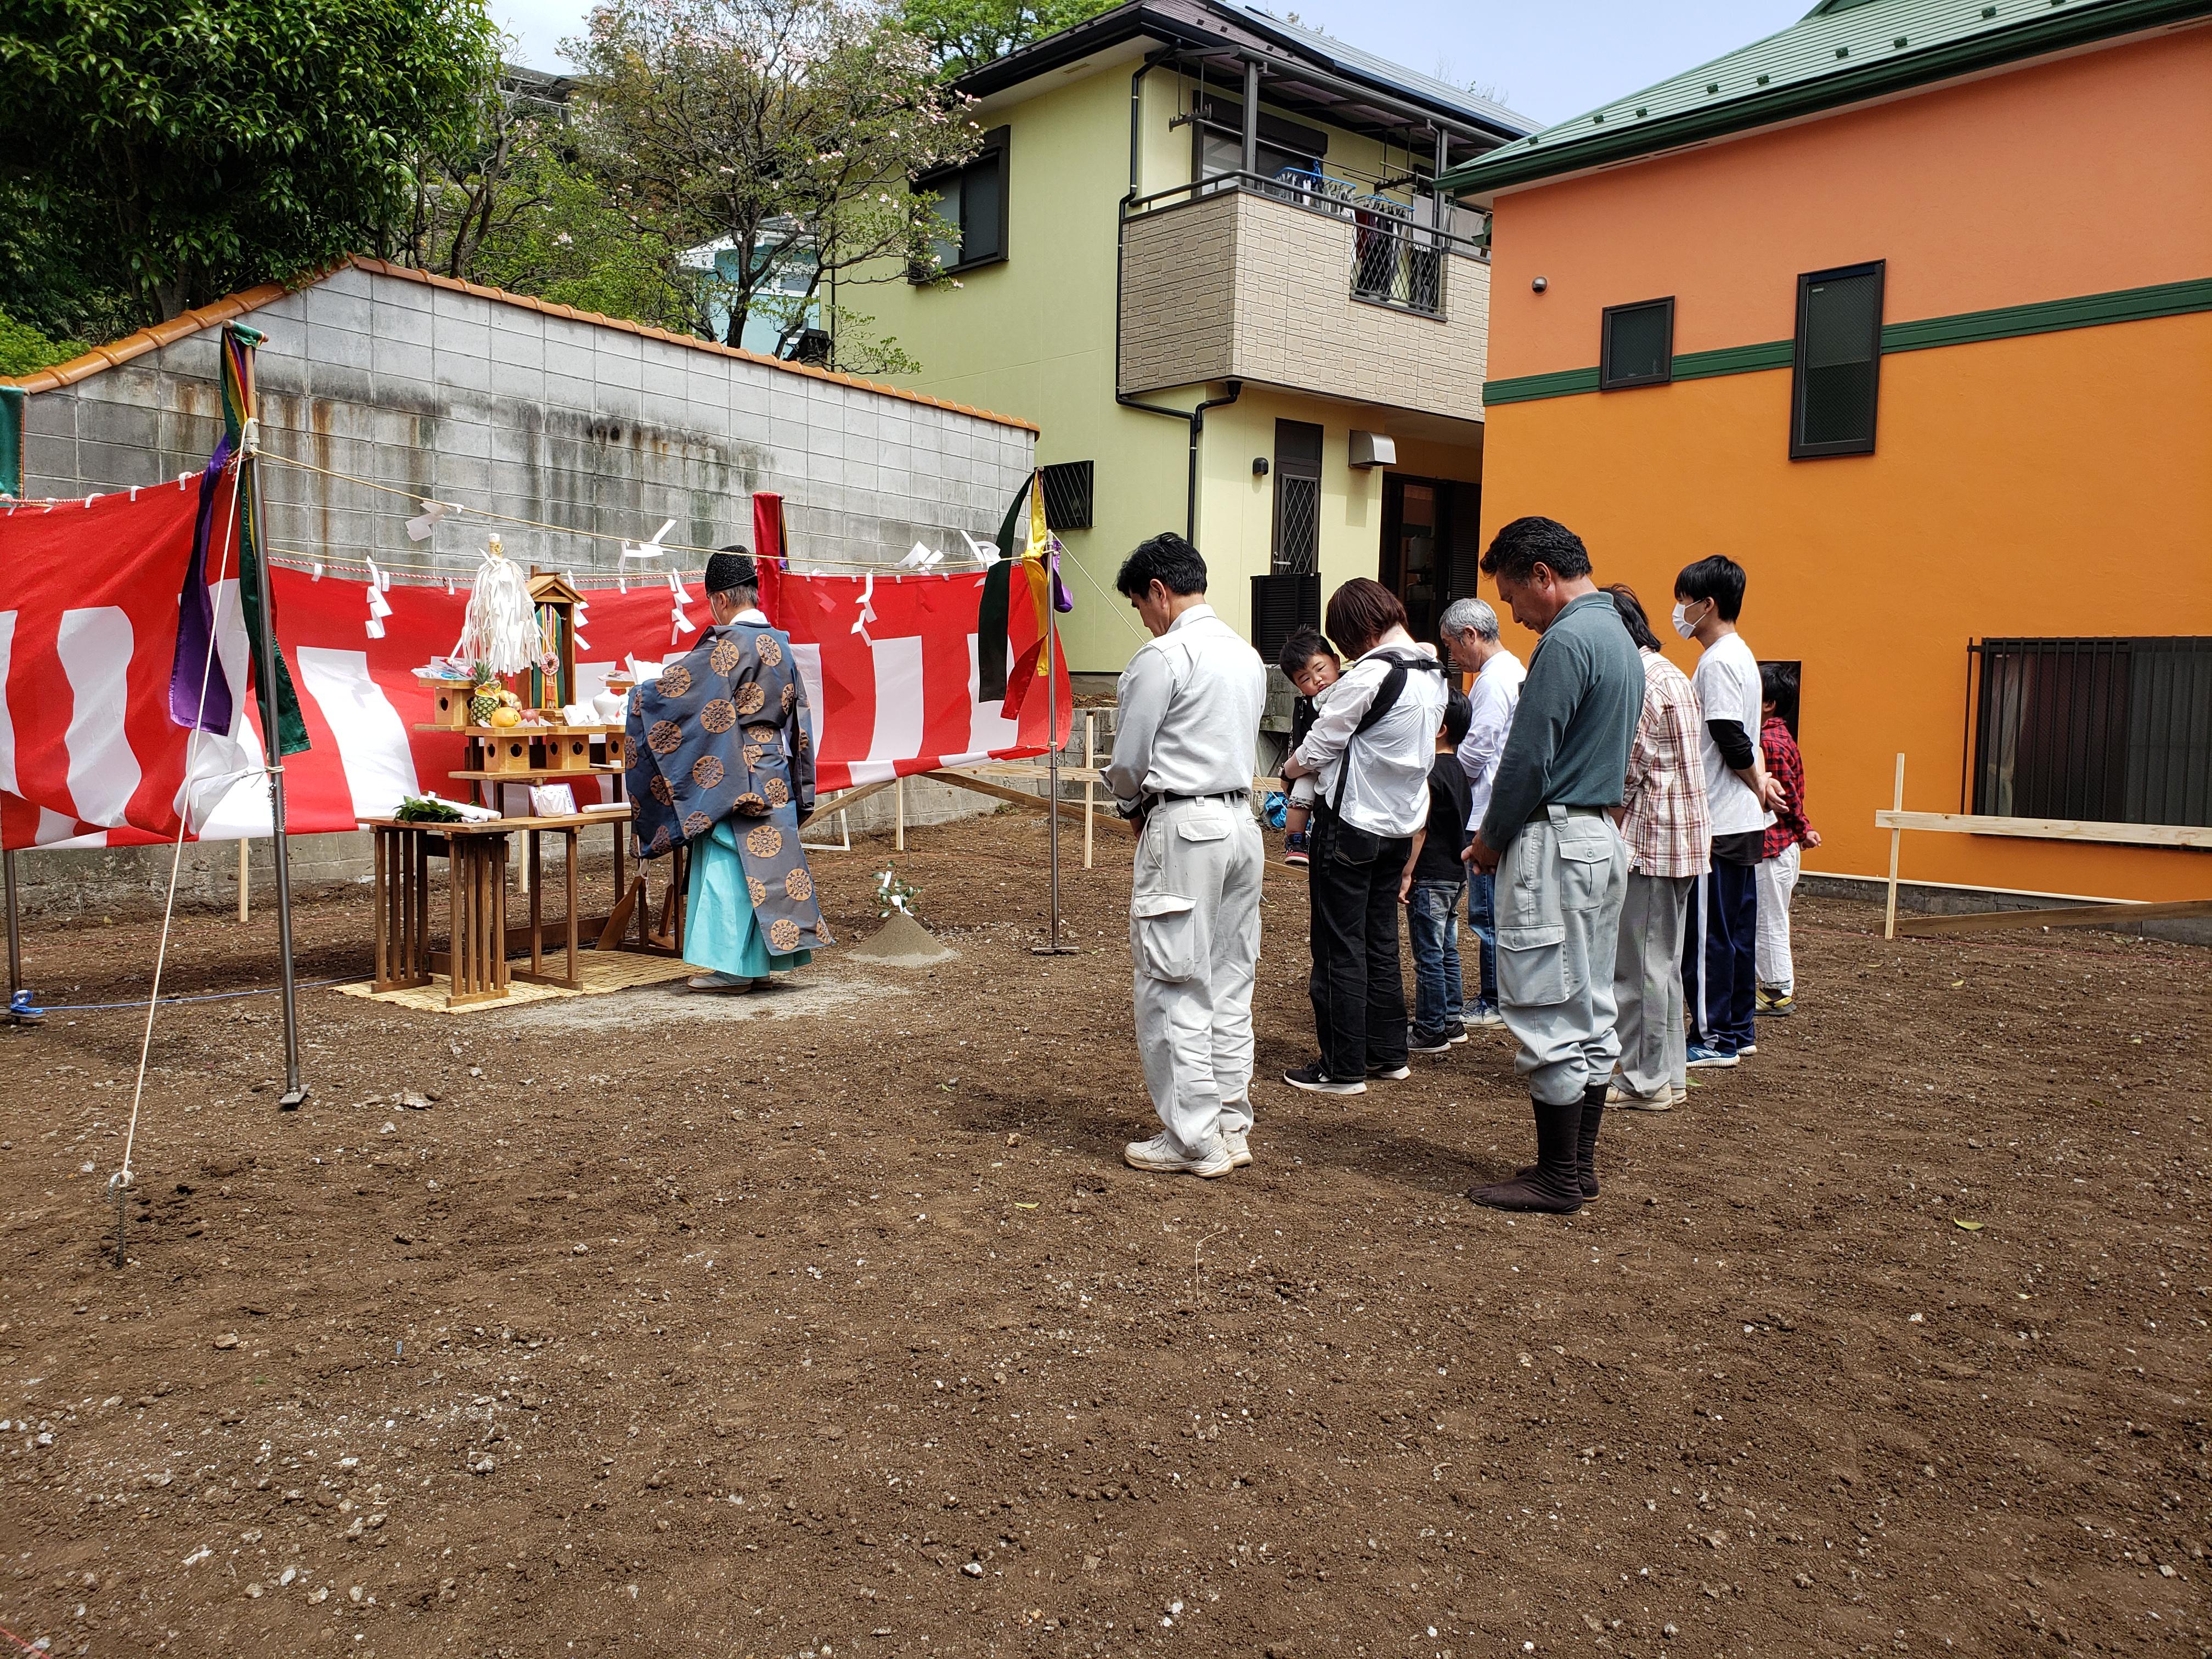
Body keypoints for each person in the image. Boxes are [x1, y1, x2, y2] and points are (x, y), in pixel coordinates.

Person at [1461, 517, 1642, 1214]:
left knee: (1545, 1004)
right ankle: (1578, 1164)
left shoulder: (1565, 641)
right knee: (1592, 1004)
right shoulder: (1620, 636)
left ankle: (1557, 1175)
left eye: (1513, 596)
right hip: (1598, 836)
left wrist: (1491, 840)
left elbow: (1528, 758)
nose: (1513, 613)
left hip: (1553, 840)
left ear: (1542, 575)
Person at [1101, 533, 1268, 1178]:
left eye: (1142, 605)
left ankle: (1193, 1138)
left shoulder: (1164, 656)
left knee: (1172, 983)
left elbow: (1128, 761)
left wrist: (1130, 805)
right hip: (1241, 823)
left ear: (1159, 593)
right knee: (1229, 980)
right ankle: (1229, 1123)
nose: (1143, 617)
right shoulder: (1246, 655)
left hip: (1182, 820)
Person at [627, 547, 831, 993]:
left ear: (720, 600)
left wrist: (636, 694)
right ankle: (759, 964)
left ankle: (731, 969)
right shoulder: (780, 642)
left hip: (734, 768)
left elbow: (673, 694)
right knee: (771, 867)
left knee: (727, 865)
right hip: (774, 765)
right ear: (753, 594)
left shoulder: (727, 647)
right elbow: (801, 715)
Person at [1280, 579, 1449, 1096]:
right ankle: (1388, 1054)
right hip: (1399, 826)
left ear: (1356, 628)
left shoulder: (1371, 675)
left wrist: (1290, 769)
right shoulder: (1433, 672)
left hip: (1352, 825)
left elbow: (1317, 748)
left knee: (1338, 946)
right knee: (1380, 942)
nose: (1347, 650)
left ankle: (1343, 1066)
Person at [1673, 555, 1784, 1069]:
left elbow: (1728, 734)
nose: (1679, 611)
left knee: (1708, 935)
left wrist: (1756, 780)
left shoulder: (1717, 660)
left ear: (1707, 604)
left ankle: (1713, 1036)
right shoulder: (1743, 655)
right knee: (1736, 931)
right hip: (1744, 821)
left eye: (1684, 600)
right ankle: (1739, 1029)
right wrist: (1759, 784)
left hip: (1718, 819)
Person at [1603, 584, 1709, 1113]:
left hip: (1649, 840)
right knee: (1663, 964)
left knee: (1639, 967)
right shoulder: (1672, 673)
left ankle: (1645, 1080)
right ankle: (1669, 1074)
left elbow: (1627, 768)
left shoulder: (1640, 681)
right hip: (1683, 840)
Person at [1438, 596, 1525, 1029]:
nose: (1453, 657)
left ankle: (1493, 998)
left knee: (1486, 913)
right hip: (1499, 803)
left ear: (1471, 636)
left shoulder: (1493, 680)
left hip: (1484, 808)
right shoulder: (1514, 670)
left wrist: (1448, 775)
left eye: (1453, 646)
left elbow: (1478, 748)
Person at [1402, 689, 1475, 1056]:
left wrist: (1406, 874)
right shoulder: (1460, 771)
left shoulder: (1429, 772)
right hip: (1455, 874)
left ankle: (1430, 1029)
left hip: (1429, 874)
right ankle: (1450, 1018)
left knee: (1428, 953)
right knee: (1447, 949)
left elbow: (1420, 828)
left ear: (1440, 728)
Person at [1756, 662, 1819, 1017]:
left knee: (1770, 922)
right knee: (1770, 919)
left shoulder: (1769, 743)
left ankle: (1777, 991)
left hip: (1774, 848)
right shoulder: (1781, 737)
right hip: (1780, 848)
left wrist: (1802, 827)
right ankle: (1773, 988)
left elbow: (1787, 795)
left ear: (1769, 704)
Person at [1275, 628, 1344, 866]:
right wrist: (1290, 769)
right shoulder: (1304, 705)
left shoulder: (1349, 692)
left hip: (1338, 769)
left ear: (1336, 662)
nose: (1317, 681)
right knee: (1299, 798)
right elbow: (1298, 738)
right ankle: (1295, 841)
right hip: (1307, 765)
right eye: (1305, 679)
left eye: (1320, 669)